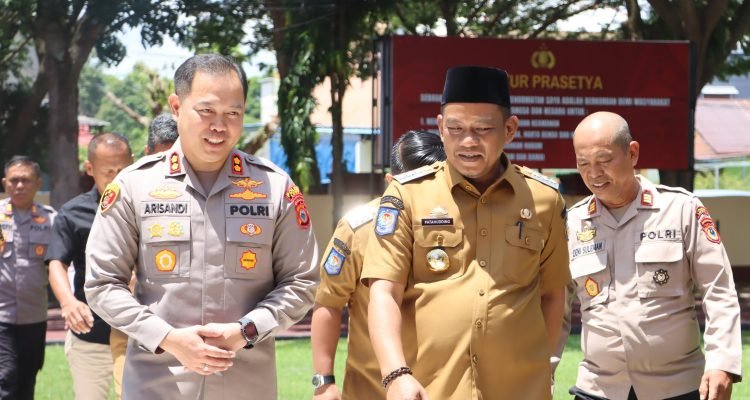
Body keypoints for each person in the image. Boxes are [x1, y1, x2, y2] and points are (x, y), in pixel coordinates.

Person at [84, 53, 319, 400]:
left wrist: (246, 330)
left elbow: (302, 281)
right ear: (177, 107)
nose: (219, 126)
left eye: (233, 114)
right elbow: (103, 284)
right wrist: (167, 338)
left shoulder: (274, 187)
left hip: (245, 387)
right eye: (206, 111)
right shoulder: (134, 186)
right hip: (157, 386)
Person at [361, 66, 571, 400]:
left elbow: (552, 294)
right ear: (440, 127)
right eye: (455, 128)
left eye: (483, 129)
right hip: (430, 390)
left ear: (510, 129)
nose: (468, 141)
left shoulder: (544, 199)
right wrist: (396, 374)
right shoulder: (408, 195)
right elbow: (384, 292)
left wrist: (537, 367)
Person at [557, 111, 742, 400]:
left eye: (604, 160)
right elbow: (555, 305)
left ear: (632, 153)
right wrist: (544, 369)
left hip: (677, 387)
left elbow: (718, 289)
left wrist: (722, 362)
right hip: (599, 388)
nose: (594, 173)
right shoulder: (572, 223)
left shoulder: (681, 210)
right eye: (583, 163)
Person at [311, 130, 446, 400]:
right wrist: (324, 382)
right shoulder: (358, 228)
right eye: (413, 187)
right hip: (374, 388)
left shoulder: (462, 224)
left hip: (446, 386)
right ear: (390, 183)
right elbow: (329, 302)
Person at [45, 133, 134, 399]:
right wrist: (67, 303)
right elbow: (56, 262)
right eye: (108, 172)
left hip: (137, 334)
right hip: (90, 336)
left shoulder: (147, 208)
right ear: (90, 168)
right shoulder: (72, 213)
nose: (116, 178)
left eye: (122, 170)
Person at [107, 114, 180, 399]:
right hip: (136, 324)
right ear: (148, 152)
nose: (170, 166)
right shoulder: (129, 192)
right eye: (162, 157)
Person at [0, 156, 56, 400]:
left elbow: (59, 265)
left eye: (26, 180)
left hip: (35, 317)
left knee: (27, 379)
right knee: (5, 378)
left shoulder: (51, 220)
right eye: (14, 180)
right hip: (1, 316)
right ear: (5, 183)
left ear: (37, 184)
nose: (19, 186)